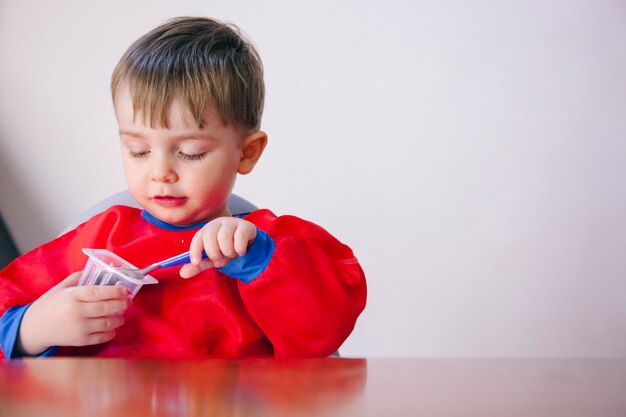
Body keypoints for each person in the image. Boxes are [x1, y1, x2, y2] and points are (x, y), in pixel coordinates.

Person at [0, 17, 366, 359]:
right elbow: (7, 300)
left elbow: (324, 332)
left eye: (190, 153)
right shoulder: (100, 239)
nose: (160, 172)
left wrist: (259, 258)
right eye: (138, 151)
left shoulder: (269, 247)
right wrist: (32, 329)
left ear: (247, 152)